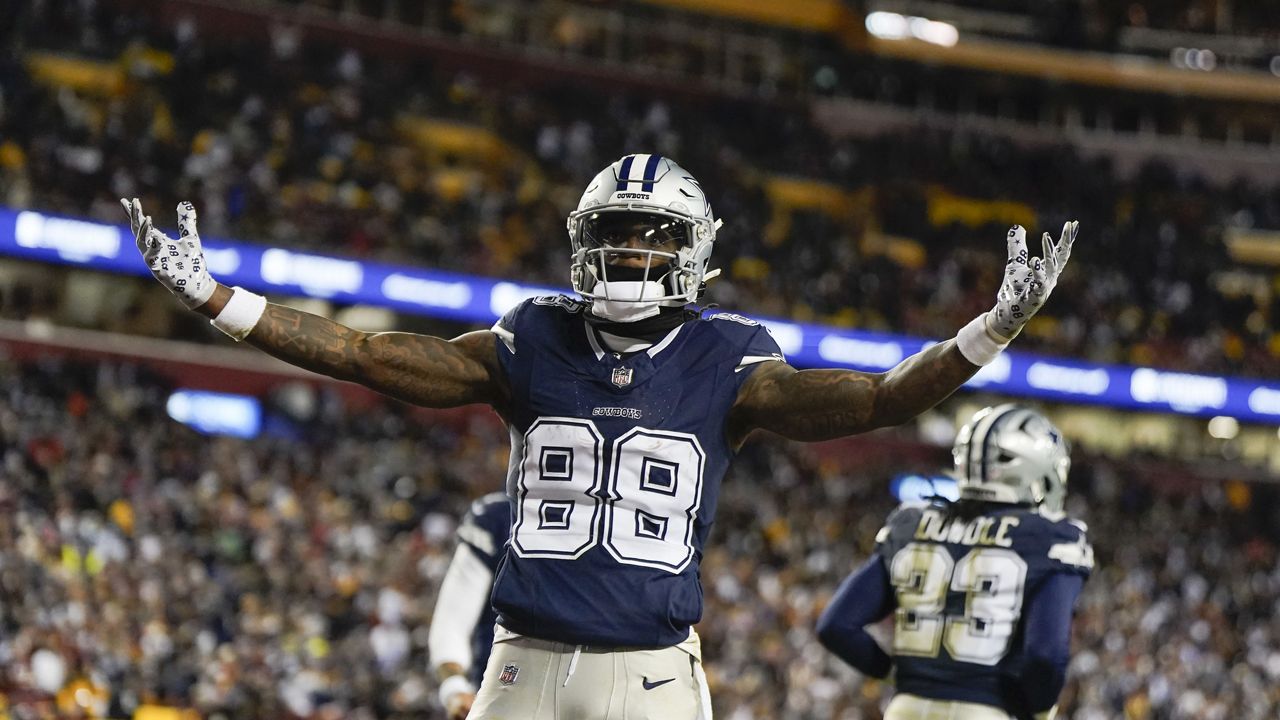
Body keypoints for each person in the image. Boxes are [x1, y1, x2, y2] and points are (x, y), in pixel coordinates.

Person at [122, 153, 1078, 719]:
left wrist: (988, 330)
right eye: (620, 231)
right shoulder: (530, 337)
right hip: (519, 659)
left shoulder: (729, 356)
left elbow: (877, 401)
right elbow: (369, 355)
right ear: (586, 236)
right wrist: (217, 299)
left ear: (693, 251)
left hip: (647, 677)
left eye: (655, 236)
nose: (634, 251)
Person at [816, 404, 1094, 720]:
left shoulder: (911, 523)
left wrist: (902, 676)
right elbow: (1045, 655)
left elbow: (836, 625)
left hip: (906, 709)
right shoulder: (1053, 538)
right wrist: (1039, 709)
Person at [428, 492, 511, 720]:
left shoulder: (617, 521)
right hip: (500, 695)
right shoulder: (502, 516)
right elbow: (453, 617)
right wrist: (455, 686)